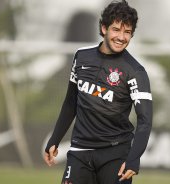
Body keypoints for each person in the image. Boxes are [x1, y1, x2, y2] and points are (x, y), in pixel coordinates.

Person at [44, 0, 153, 183]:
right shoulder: (81, 57)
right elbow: (71, 102)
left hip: (116, 155)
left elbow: (145, 120)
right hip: (80, 151)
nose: (121, 37)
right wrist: (55, 138)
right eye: (116, 29)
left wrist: (133, 159)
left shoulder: (135, 71)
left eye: (127, 32)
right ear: (104, 28)